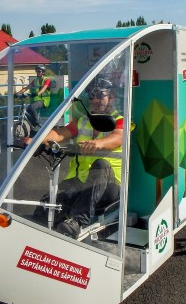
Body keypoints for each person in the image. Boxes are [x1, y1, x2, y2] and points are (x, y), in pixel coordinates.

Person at [25, 78, 123, 239]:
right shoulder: (83, 121)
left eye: (100, 95)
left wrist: (98, 144)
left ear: (111, 98)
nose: (95, 100)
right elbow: (59, 134)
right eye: (91, 96)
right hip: (79, 183)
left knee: (101, 164)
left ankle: (77, 221)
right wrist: (36, 140)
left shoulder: (120, 120)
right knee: (48, 206)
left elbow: (118, 137)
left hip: (109, 187)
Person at [16, 65, 51, 130]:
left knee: (31, 107)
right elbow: (26, 88)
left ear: (43, 72)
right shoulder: (35, 80)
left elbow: (44, 88)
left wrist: (37, 93)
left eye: (39, 71)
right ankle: (33, 128)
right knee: (27, 110)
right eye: (37, 71)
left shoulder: (47, 80)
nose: (37, 73)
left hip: (44, 100)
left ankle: (36, 124)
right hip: (37, 100)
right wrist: (17, 93)